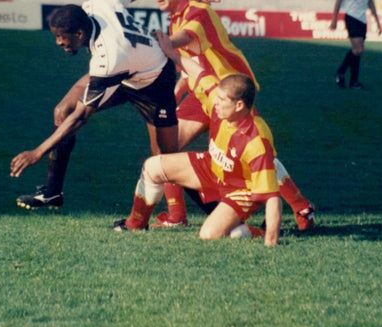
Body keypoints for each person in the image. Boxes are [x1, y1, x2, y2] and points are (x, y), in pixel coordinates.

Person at [10, 0, 222, 213]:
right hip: (122, 71)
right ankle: (52, 193)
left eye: (62, 37)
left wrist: (38, 152)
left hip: (154, 79)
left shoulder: (107, 59)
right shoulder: (97, 0)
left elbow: (81, 118)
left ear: (80, 33)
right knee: (63, 111)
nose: (58, 42)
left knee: (167, 157)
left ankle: (219, 211)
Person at [146, 0, 314, 232]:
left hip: (227, 93)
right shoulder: (175, 17)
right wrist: (172, 96)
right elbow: (188, 68)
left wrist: (157, 45)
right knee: (166, 145)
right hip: (202, 92)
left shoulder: (197, 11)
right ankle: (176, 215)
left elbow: (181, 42)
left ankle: (300, 204)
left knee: (255, 151)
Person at [113, 30, 282, 247]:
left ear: (239, 105)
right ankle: (136, 224)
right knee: (152, 167)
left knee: (210, 235)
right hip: (212, 168)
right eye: (217, 97)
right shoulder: (219, 102)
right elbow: (199, 72)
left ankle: (256, 232)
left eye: (222, 100)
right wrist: (172, 54)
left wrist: (271, 242)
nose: (216, 102)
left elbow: (271, 197)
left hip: (240, 190)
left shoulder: (256, 141)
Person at [329, 0, 382, 90]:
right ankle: (341, 73)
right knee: (358, 49)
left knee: (359, 50)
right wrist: (334, 18)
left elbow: (370, 1)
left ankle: (353, 82)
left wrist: (377, 21)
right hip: (351, 16)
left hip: (362, 19)